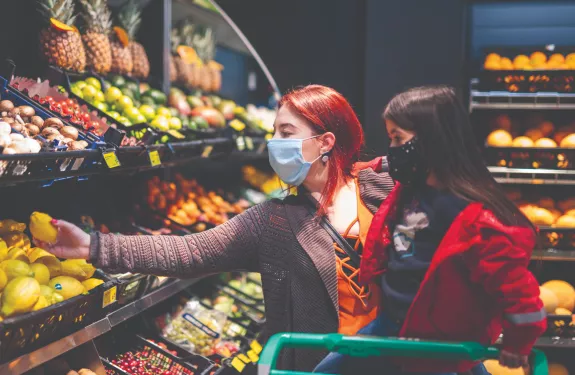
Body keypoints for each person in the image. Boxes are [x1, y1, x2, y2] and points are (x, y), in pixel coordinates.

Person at [37, 85, 395, 372]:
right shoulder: (273, 221)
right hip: (322, 365)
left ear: (325, 142)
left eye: (287, 132)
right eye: (274, 132)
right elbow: (190, 251)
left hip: (394, 357)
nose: (275, 143)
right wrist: (92, 246)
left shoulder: (382, 186)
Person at [329, 86, 545, 374]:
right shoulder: (412, 189)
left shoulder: (479, 221)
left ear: (432, 141)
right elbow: (390, 161)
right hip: (390, 326)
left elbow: (518, 292)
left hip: (438, 346)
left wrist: (518, 345)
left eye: (398, 138)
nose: (392, 147)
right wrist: (363, 167)